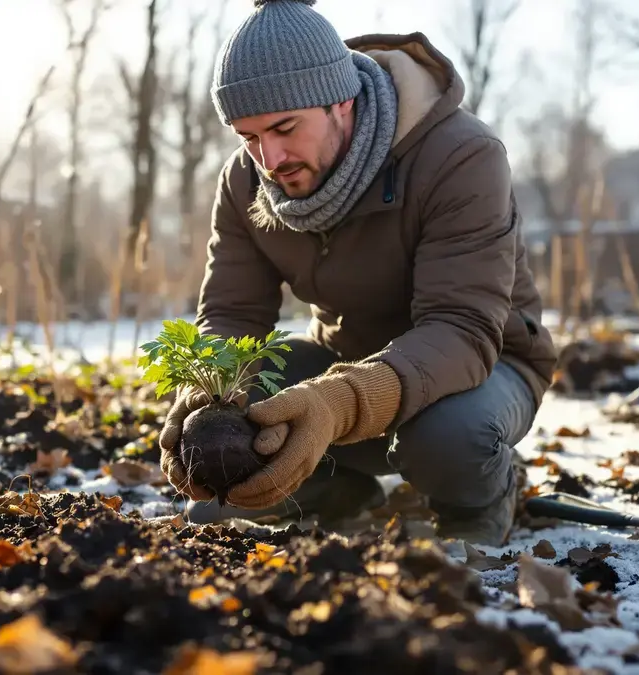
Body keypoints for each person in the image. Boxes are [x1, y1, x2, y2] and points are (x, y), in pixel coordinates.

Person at [157, 0, 558, 547]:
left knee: (447, 438)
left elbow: (461, 329)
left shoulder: (461, 156)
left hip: (481, 367)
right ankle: (337, 492)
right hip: (342, 358)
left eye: (284, 128)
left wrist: (334, 403)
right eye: (248, 136)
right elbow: (232, 313)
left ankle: (483, 496)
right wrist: (206, 397)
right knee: (225, 470)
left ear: (341, 101)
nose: (269, 159)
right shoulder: (244, 180)